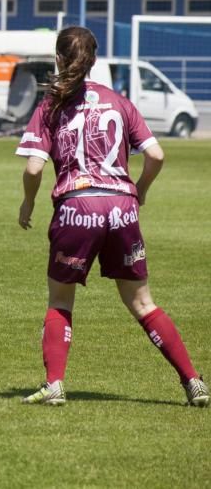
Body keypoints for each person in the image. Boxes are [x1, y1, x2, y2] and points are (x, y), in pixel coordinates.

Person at [16, 26, 208, 407]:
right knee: (142, 303)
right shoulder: (119, 101)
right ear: (93, 61)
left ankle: (54, 385)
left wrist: (27, 204)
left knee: (61, 299)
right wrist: (141, 190)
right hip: (121, 207)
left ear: (58, 59)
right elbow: (156, 155)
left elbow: (35, 169)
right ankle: (194, 382)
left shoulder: (50, 105)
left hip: (78, 206)